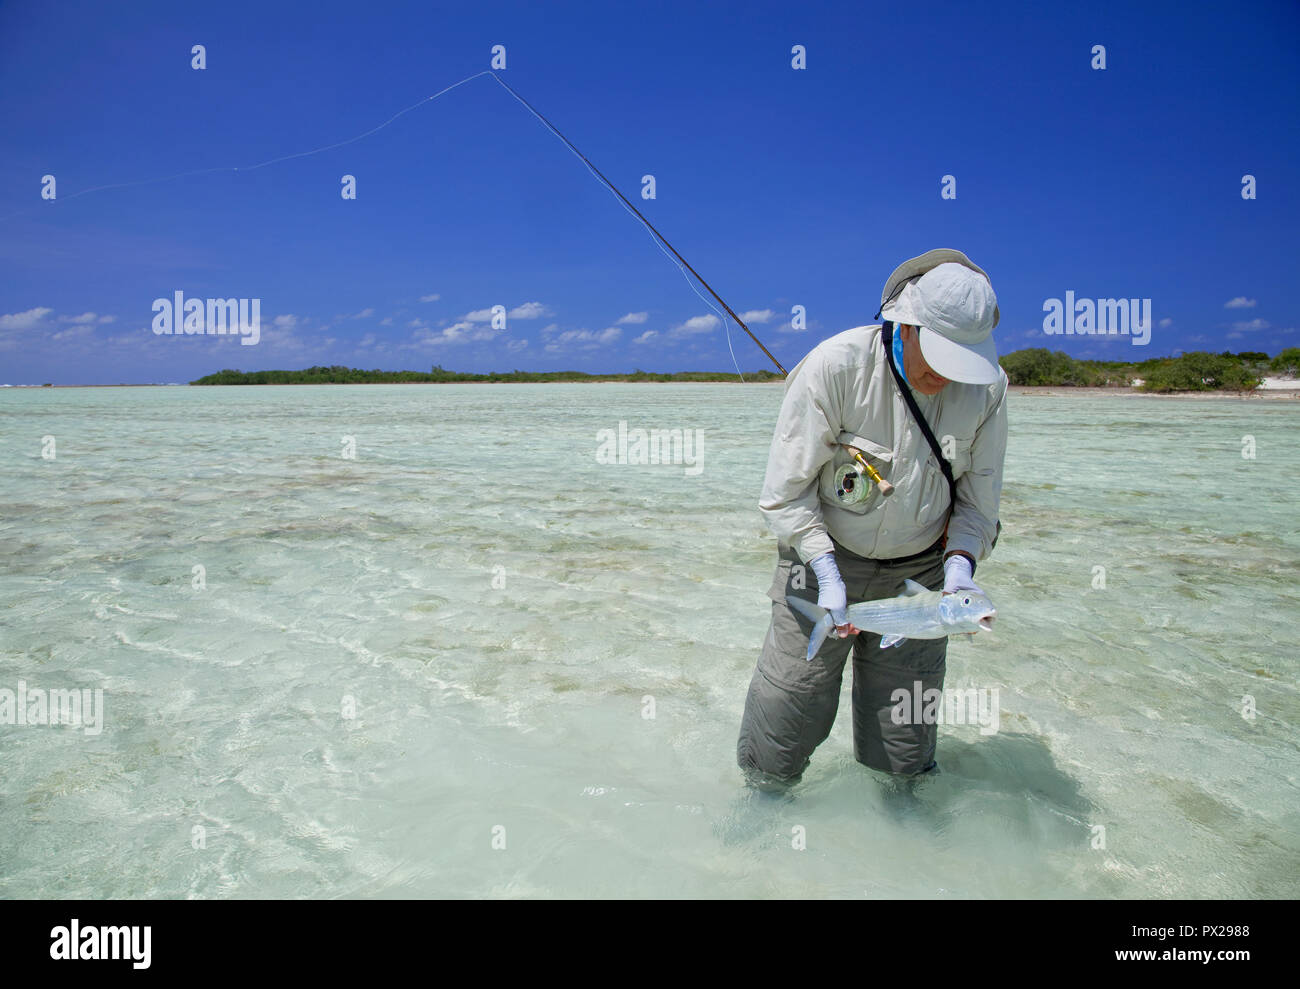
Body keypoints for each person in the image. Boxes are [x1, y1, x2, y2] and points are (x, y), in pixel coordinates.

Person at [737, 249, 1008, 785]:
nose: (945, 374)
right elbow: (785, 494)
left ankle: (903, 833)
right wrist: (828, 573)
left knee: (903, 743)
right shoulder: (834, 366)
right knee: (785, 716)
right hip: (819, 563)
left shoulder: (990, 389)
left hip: (924, 576)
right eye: (938, 354)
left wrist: (959, 569)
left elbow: (980, 501)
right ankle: (758, 826)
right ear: (903, 325)